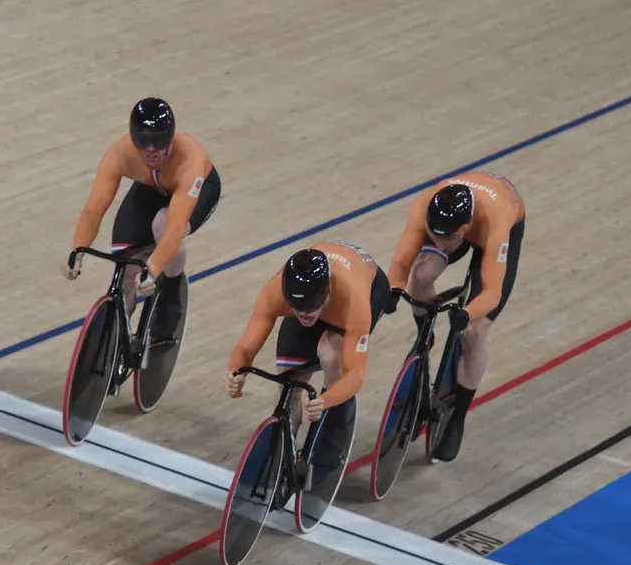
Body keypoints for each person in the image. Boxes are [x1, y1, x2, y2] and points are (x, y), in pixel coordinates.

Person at [384, 169, 526, 462]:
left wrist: (468, 314)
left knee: (474, 332)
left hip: (501, 221)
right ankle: (426, 337)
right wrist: (394, 289)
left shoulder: (495, 223)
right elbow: (401, 261)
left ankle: (457, 417)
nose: (439, 244)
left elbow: (492, 293)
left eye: (446, 239)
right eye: (433, 236)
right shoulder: (425, 206)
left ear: (466, 226)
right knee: (421, 275)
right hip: (466, 220)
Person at [64, 97, 220, 342]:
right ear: (131, 137)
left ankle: (171, 296)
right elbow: (94, 208)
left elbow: (175, 227)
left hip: (197, 192)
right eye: (142, 140)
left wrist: (154, 269)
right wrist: (78, 250)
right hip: (152, 190)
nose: (150, 148)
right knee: (127, 268)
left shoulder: (190, 160)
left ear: (171, 137)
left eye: (157, 140)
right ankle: (111, 344)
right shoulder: (120, 153)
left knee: (163, 224)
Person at [224, 242, 390, 464]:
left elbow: (356, 373)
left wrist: (327, 399)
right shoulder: (275, 293)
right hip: (328, 300)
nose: (304, 313)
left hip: (368, 287)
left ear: (327, 291)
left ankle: (334, 429)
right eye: (297, 307)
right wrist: (237, 372)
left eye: (310, 307)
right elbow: (246, 346)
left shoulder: (353, 303)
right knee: (288, 380)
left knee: (331, 355)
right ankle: (283, 450)